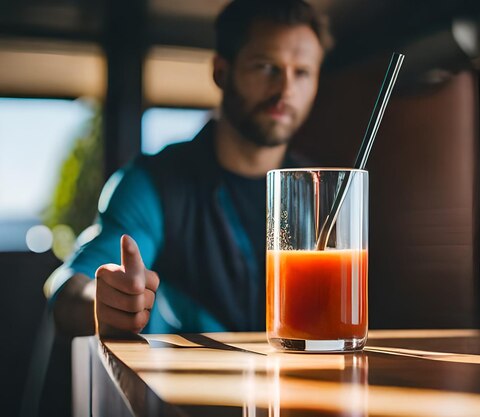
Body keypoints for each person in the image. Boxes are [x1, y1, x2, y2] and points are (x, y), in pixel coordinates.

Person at [45, 0, 333, 337]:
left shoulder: (322, 193)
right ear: (221, 72)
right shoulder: (151, 182)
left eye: (302, 72)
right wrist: (103, 300)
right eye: (267, 67)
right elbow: (67, 287)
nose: (286, 89)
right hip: (185, 386)